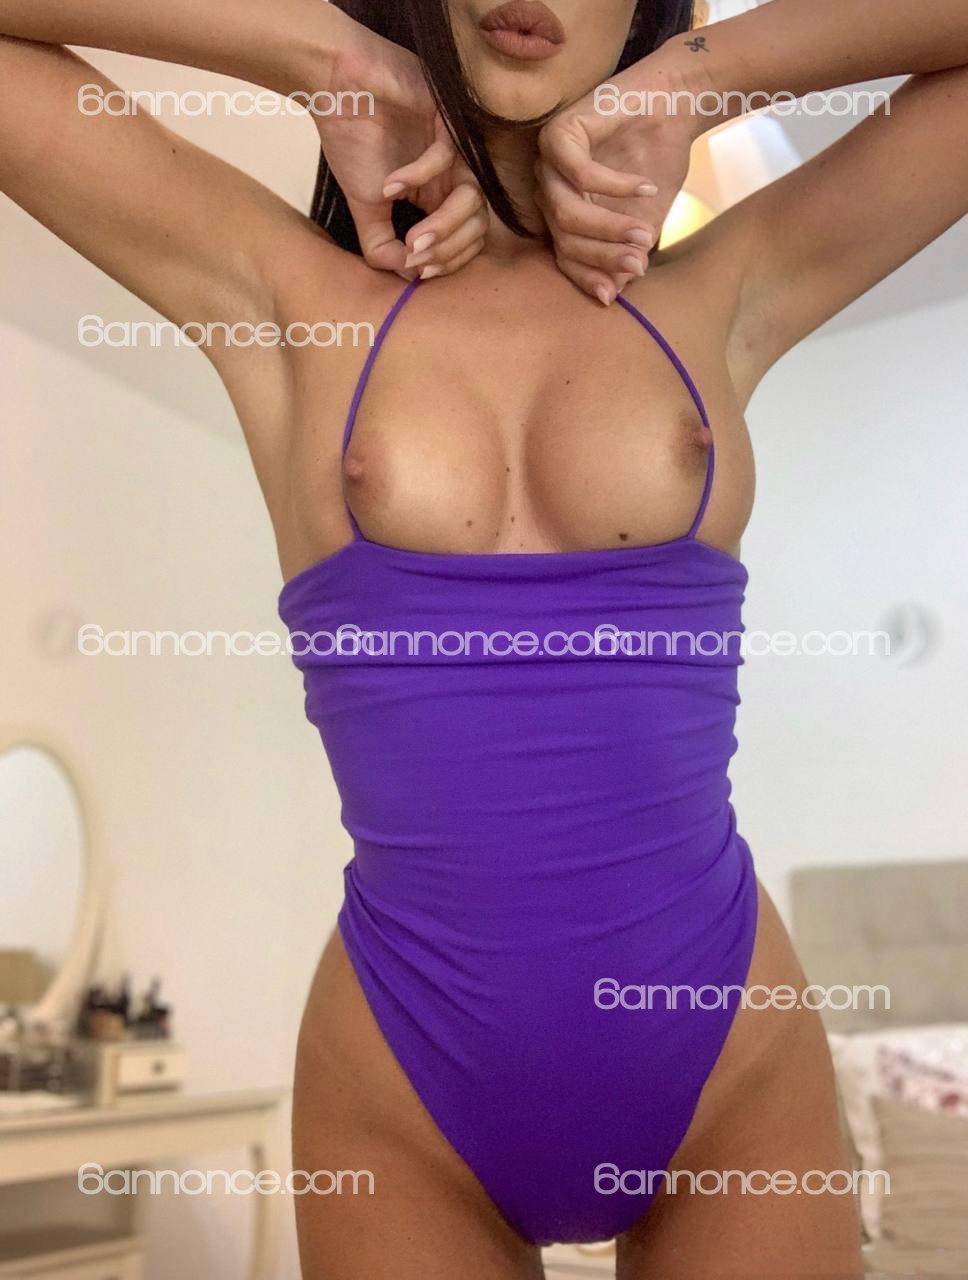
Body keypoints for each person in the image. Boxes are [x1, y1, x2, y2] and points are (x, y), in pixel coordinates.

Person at [3, 1, 966, 1275]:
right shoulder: (285, 296)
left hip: (727, 1061)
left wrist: (701, 78)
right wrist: (327, 61)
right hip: (403, 1091)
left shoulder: (722, 286)